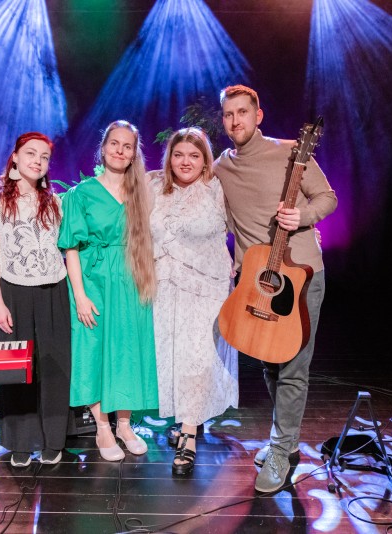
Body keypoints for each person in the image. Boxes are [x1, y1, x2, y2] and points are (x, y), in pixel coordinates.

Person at [213, 85, 338, 493]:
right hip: (259, 280)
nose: (235, 121)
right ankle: (286, 439)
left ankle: (282, 450)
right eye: (229, 114)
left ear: (258, 115)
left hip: (301, 278)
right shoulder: (222, 166)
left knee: (294, 367)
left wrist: (303, 216)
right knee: (269, 363)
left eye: (242, 112)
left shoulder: (291, 153)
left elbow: (328, 198)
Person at [58, 120, 158, 462]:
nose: (120, 150)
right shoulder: (81, 194)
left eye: (127, 146)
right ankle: (102, 426)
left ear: (134, 153)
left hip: (130, 280)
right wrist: (80, 295)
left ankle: (124, 425)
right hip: (94, 282)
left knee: (127, 350)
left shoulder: (141, 193)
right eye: (114, 143)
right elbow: (71, 248)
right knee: (94, 350)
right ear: (103, 148)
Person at [149, 127, 239, 476]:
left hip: (207, 287)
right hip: (166, 287)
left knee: (198, 358)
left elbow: (248, 219)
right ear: (169, 158)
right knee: (175, 357)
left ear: (205, 160)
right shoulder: (155, 186)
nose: (185, 162)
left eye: (194, 155)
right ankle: (188, 419)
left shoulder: (218, 187)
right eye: (178, 155)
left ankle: (187, 436)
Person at [0, 132, 71, 467]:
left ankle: (54, 439)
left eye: (44, 157)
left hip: (54, 291)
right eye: (31, 153)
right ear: (15, 157)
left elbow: (68, 249)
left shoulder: (56, 202)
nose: (38, 161)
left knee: (54, 367)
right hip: (14, 293)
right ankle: (20, 441)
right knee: (17, 368)